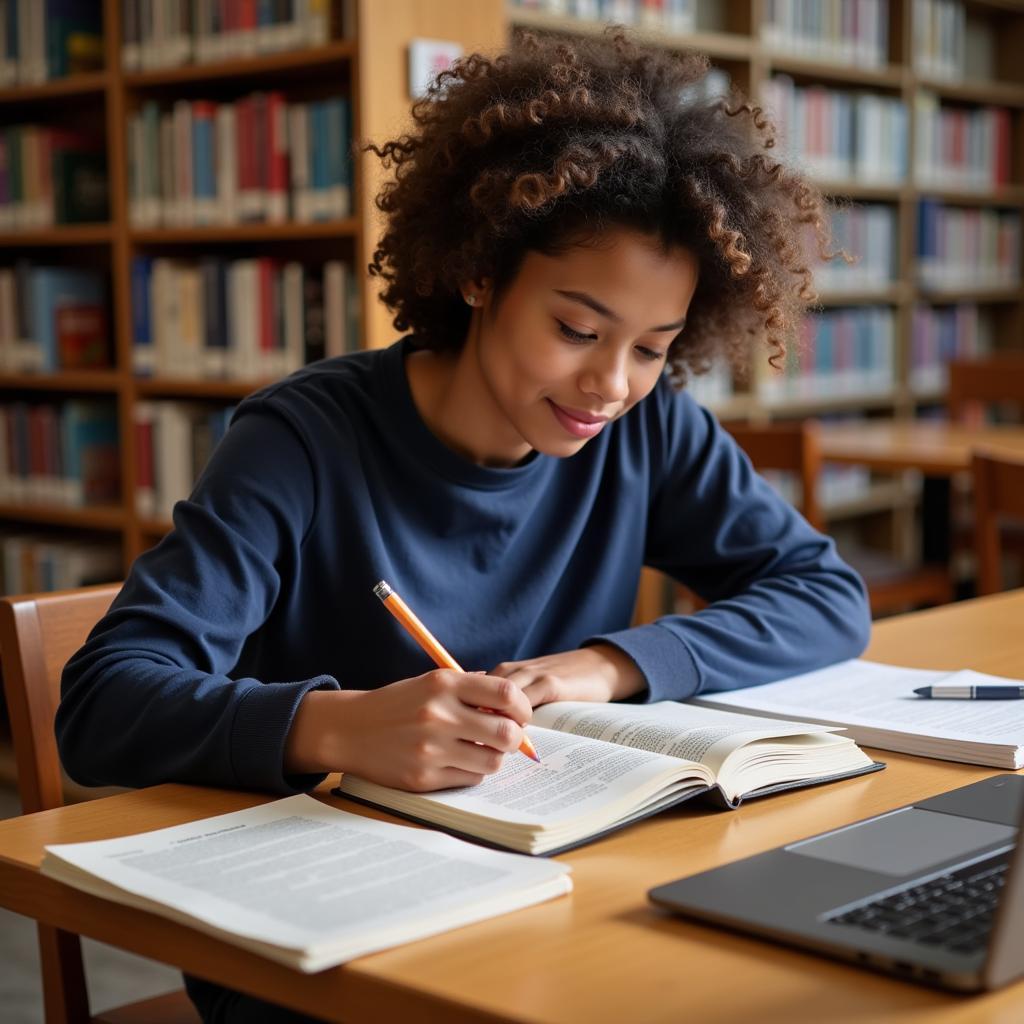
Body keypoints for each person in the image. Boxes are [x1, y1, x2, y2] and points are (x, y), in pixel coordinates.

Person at [57, 28, 870, 1023]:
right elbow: (101, 706)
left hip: (554, 911)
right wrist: (338, 725)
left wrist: (602, 664)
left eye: (653, 348)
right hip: (328, 943)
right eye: (576, 329)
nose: (609, 385)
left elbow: (825, 594)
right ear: (481, 273)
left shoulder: (647, 429)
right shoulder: (304, 440)